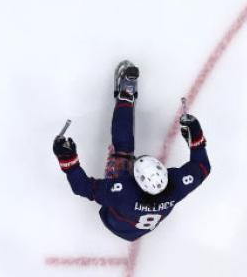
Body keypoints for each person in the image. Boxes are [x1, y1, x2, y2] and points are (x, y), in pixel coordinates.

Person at [52, 61, 211, 240]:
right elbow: (202, 167)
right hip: (138, 216)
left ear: (135, 181)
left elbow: (82, 187)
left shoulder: (122, 191)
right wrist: (195, 136)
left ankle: (126, 98)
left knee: (122, 152)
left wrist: (68, 159)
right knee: (124, 154)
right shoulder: (176, 186)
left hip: (114, 220)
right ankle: (126, 97)